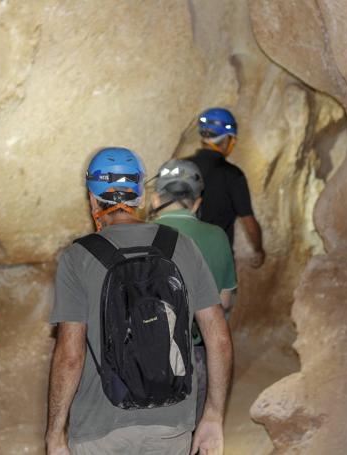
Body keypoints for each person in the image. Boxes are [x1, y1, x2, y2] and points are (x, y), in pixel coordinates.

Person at [45, 147, 233, 455]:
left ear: (92, 199)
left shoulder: (77, 257)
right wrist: (213, 415)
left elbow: (70, 355)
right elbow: (219, 339)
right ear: (141, 199)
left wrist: (55, 433)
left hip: (99, 425)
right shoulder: (182, 246)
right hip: (171, 420)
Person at [149, 158, 237, 426]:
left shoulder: (139, 235)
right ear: (197, 202)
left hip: (141, 355)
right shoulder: (216, 236)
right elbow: (223, 301)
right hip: (194, 354)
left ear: (154, 199)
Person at [187, 108, 265, 268]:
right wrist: (259, 249)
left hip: (182, 260)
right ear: (228, 139)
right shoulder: (233, 175)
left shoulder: (181, 167)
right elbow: (248, 222)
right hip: (217, 263)